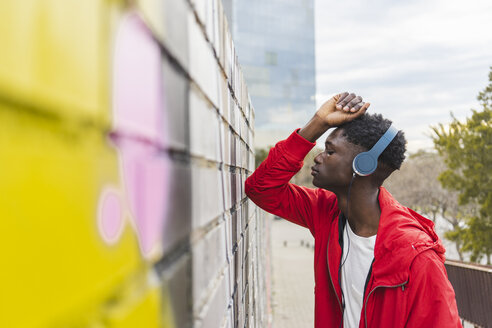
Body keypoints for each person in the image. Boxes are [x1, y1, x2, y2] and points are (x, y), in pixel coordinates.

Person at [245, 93, 462, 328]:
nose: (316, 158)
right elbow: (261, 188)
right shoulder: (327, 213)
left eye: (330, 152)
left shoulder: (417, 257)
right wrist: (319, 122)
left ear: (363, 165)